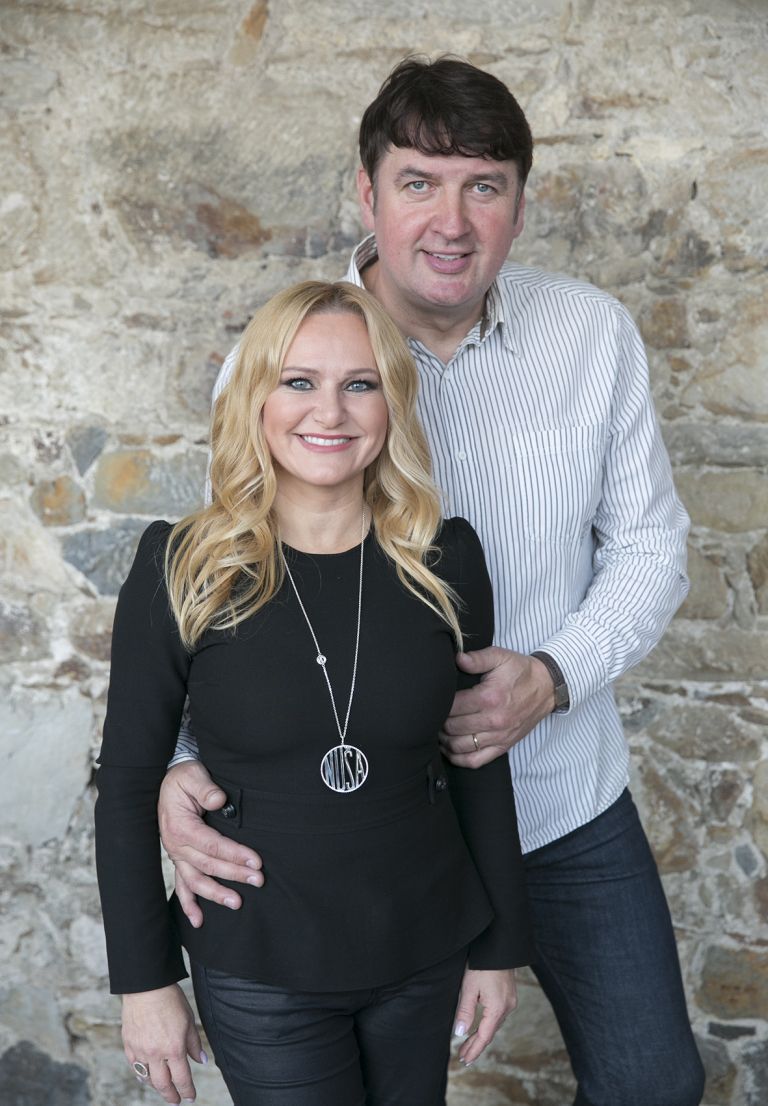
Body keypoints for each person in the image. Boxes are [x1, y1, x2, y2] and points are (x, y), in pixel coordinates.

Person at [158, 57, 706, 1106]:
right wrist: (180, 765)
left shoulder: (591, 336)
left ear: (520, 205)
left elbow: (651, 546)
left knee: (653, 1081)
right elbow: (225, 590)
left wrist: (552, 675)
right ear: (366, 197)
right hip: (361, 830)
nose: (451, 222)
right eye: (418, 182)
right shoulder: (283, 362)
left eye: (483, 186)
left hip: (558, 797)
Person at [95, 279, 534, 1106]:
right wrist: (144, 982)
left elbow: (479, 756)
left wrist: (500, 946)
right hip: (259, 962)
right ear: (256, 399)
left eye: (359, 384)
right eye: (298, 381)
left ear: (391, 404)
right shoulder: (181, 565)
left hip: (424, 945)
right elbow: (125, 783)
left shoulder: (445, 558)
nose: (329, 411)